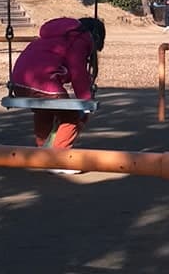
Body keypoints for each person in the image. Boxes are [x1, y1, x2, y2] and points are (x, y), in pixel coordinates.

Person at [10, 16, 106, 166]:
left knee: (44, 111)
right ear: (96, 37)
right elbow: (78, 72)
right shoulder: (79, 39)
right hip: (43, 82)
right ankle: (59, 159)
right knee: (73, 116)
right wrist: (86, 100)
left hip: (18, 82)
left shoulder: (54, 37)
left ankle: (42, 150)